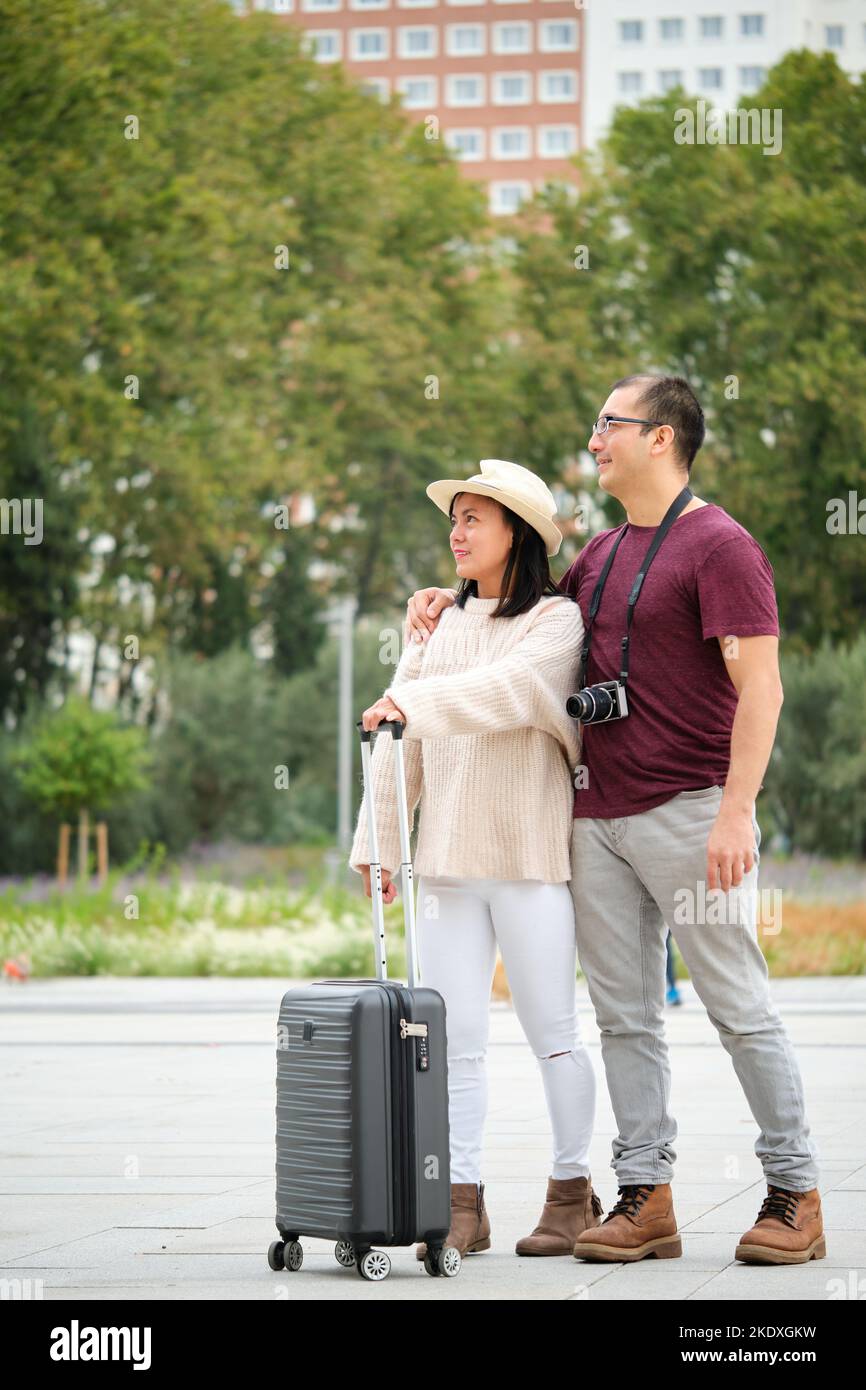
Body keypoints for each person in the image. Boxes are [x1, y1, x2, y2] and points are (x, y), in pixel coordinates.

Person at [405, 375, 823, 1267]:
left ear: (662, 437)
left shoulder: (722, 548)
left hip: (689, 811)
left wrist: (737, 811)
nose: (595, 438)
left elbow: (764, 687)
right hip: (594, 818)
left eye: (609, 424)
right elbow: (518, 610)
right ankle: (645, 1197)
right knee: (627, 1020)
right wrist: (445, 597)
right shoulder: (597, 555)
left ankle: (795, 1194)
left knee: (738, 1008)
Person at [348, 458, 604, 1261]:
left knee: (553, 1034)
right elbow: (399, 750)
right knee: (446, 1042)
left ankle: (571, 1193)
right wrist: (380, 846)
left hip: (528, 861)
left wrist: (410, 703)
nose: (456, 534)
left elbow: (507, 692)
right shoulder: (439, 624)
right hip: (447, 864)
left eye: (473, 520)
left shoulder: (556, 625)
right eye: (452, 519)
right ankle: (460, 1201)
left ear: (515, 534)